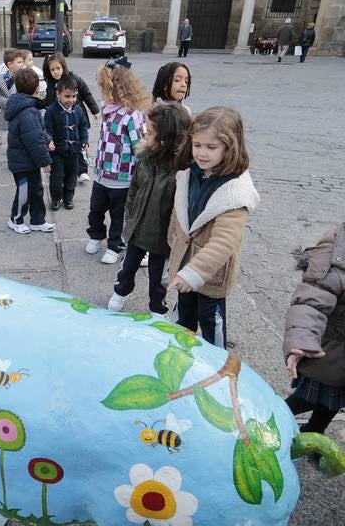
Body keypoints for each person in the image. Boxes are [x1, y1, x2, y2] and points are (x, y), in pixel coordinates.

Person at [167, 106, 260, 349]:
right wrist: (171, 242)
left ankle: (217, 369)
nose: (201, 153)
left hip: (211, 275)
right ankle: (178, 357)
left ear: (230, 147)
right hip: (186, 267)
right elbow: (180, 214)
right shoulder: (191, 174)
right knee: (181, 320)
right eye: (197, 145)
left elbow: (224, 242)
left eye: (211, 147)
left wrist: (193, 273)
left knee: (212, 325)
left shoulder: (234, 194)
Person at [107, 102, 191, 314]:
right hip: (138, 228)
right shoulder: (145, 157)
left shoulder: (181, 170)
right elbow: (134, 187)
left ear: (167, 139)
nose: (145, 134)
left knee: (158, 277)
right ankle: (120, 292)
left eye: (151, 132)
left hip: (162, 237)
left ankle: (156, 308)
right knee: (128, 268)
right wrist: (130, 213)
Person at [85, 57, 150, 265]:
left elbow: (140, 147)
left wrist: (140, 178)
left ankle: (115, 245)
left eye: (105, 88)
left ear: (118, 88)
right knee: (95, 208)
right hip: (102, 174)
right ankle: (96, 235)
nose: (103, 92)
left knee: (118, 215)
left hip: (122, 178)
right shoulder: (107, 110)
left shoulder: (133, 115)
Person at [283, 222, 345, 436]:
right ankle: (265, 426)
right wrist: (301, 341)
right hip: (331, 353)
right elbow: (311, 303)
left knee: (332, 404)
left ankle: (313, 432)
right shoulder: (336, 256)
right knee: (306, 399)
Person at [4, 67, 55, 235]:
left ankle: (37, 220)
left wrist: (47, 139)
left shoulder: (27, 107)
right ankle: (15, 219)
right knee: (24, 192)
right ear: (37, 89)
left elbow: (38, 131)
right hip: (22, 162)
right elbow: (33, 140)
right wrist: (45, 162)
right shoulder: (27, 112)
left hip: (28, 161)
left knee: (37, 190)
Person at [42, 52, 99, 180]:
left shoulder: (74, 79)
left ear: (63, 67)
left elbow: (86, 94)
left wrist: (95, 110)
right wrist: (38, 103)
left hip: (77, 119)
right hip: (60, 121)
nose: (56, 72)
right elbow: (49, 101)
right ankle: (66, 169)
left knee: (79, 145)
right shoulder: (51, 84)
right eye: (52, 69)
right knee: (66, 145)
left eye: (58, 68)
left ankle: (82, 171)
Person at [44, 76, 88, 211]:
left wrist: (84, 140)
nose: (71, 100)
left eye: (74, 96)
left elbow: (83, 126)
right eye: (67, 96)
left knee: (71, 177)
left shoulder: (78, 110)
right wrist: (48, 140)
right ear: (58, 94)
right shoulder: (51, 111)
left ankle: (68, 198)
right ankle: (56, 198)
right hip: (57, 151)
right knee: (56, 178)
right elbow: (46, 129)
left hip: (74, 151)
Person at [0, 47, 25, 130]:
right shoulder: (0, 79)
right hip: (7, 115)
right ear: (10, 64)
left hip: (23, 114)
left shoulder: (26, 77)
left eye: (22, 62)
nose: (22, 64)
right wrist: (8, 102)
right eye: (19, 62)